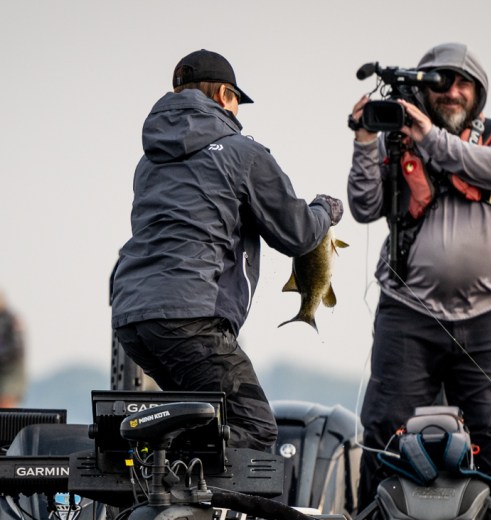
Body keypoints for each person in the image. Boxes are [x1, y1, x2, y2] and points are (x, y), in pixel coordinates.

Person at [110, 48, 343, 452]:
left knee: (203, 422)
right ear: (223, 95)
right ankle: (177, 483)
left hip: (133, 320)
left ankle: (168, 480)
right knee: (254, 428)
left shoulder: (148, 164)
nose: (238, 115)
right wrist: (325, 210)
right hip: (191, 319)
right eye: (237, 102)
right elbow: (298, 234)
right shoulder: (242, 153)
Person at [347, 42, 491, 510]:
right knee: (384, 426)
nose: (453, 92)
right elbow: (364, 206)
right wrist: (364, 141)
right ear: (423, 90)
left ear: (478, 93)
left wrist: (428, 137)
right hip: (408, 313)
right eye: (442, 82)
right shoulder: (398, 141)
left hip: (486, 316)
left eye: (464, 84)